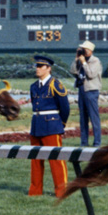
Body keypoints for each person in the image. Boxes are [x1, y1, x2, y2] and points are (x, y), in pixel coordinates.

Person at [28, 55, 70, 198]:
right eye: (37, 66)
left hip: (51, 126)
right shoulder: (33, 86)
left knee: (56, 160)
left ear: (49, 68)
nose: (37, 69)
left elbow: (65, 108)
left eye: (41, 66)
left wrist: (60, 125)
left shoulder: (55, 85)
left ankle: (61, 191)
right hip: (36, 126)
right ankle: (35, 191)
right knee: (35, 160)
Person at [70, 41, 103, 149]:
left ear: (90, 50)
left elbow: (91, 74)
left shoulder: (95, 61)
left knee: (94, 117)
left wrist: (84, 63)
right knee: (83, 118)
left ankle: (97, 142)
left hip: (91, 91)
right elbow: (73, 71)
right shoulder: (80, 59)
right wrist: (76, 59)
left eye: (84, 49)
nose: (83, 51)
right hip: (82, 90)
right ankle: (84, 142)